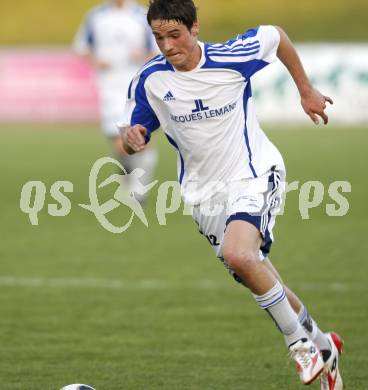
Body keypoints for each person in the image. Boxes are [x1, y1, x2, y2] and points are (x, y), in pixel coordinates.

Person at [119, 0, 343, 387]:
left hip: (253, 173)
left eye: (175, 35)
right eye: (158, 37)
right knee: (254, 270)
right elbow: (137, 127)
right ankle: (323, 344)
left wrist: (305, 90)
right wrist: (134, 137)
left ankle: (300, 346)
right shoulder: (150, 79)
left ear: (195, 29)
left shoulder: (232, 57)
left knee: (239, 254)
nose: (168, 45)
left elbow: (277, 36)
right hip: (202, 195)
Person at [73, 0, 159, 201]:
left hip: (138, 83)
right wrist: (96, 60)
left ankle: (140, 191)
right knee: (120, 143)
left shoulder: (143, 15)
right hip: (109, 86)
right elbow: (81, 46)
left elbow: (158, 48)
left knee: (142, 133)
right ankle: (128, 174)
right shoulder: (96, 15)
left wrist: (144, 55)